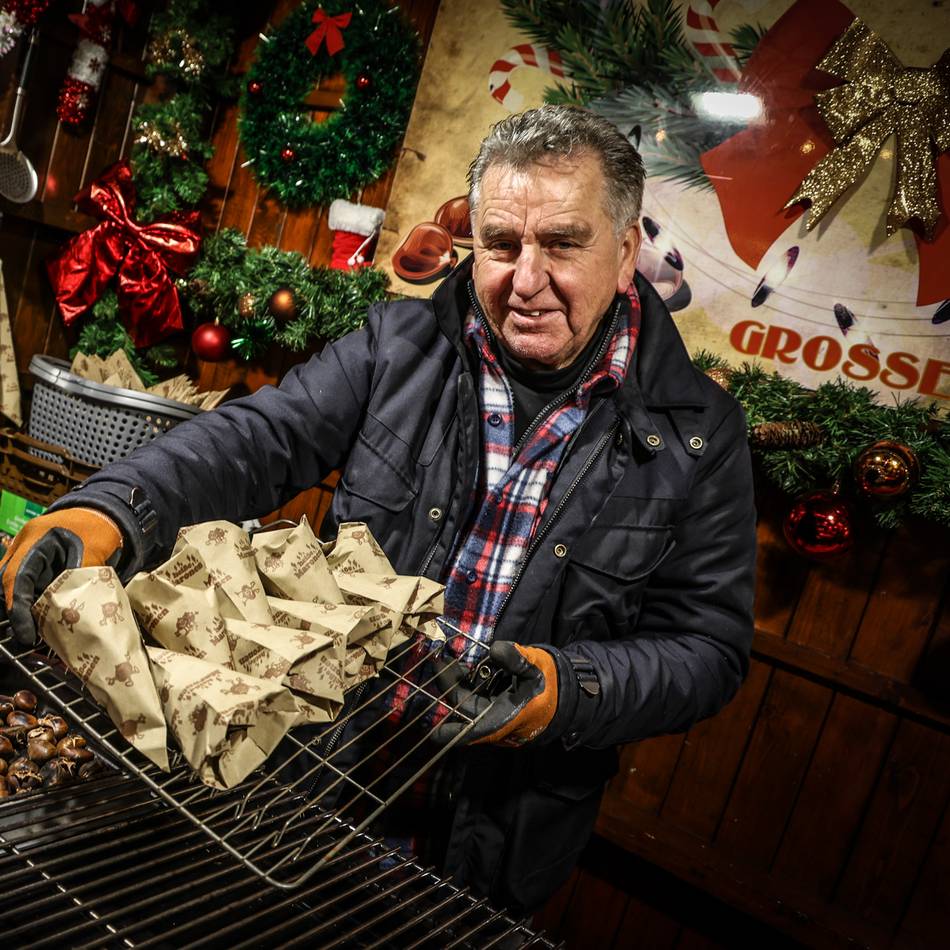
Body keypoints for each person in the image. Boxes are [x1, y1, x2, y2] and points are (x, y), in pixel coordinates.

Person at [0, 105, 756, 912]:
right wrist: (109, 513)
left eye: (563, 244)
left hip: (491, 832)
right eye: (501, 244)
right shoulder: (399, 348)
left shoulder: (698, 433)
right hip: (310, 778)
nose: (525, 280)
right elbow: (254, 441)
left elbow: (708, 648)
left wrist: (563, 691)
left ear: (626, 245)